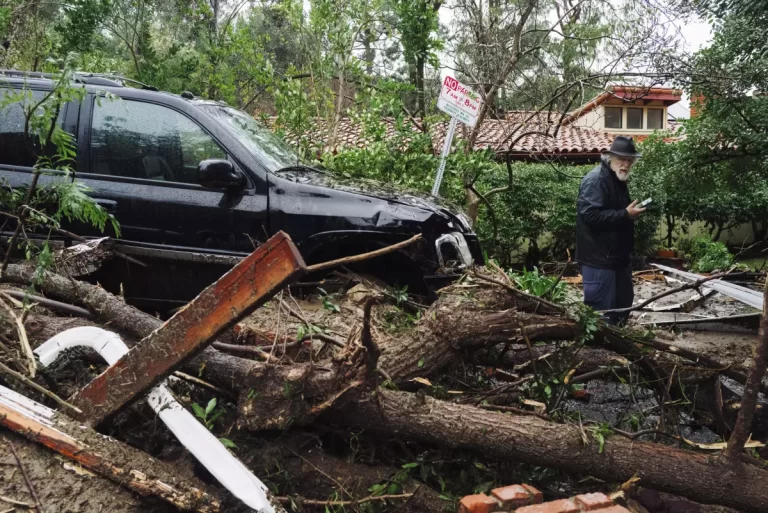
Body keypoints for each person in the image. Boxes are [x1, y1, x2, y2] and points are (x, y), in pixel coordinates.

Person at [576, 136, 645, 325]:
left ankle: (617, 343)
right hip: (599, 262)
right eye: (621, 159)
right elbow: (590, 216)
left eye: (629, 160)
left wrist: (627, 214)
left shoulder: (617, 180)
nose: (626, 164)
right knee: (601, 316)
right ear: (610, 158)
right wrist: (625, 214)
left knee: (622, 309)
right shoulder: (596, 180)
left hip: (617, 260)